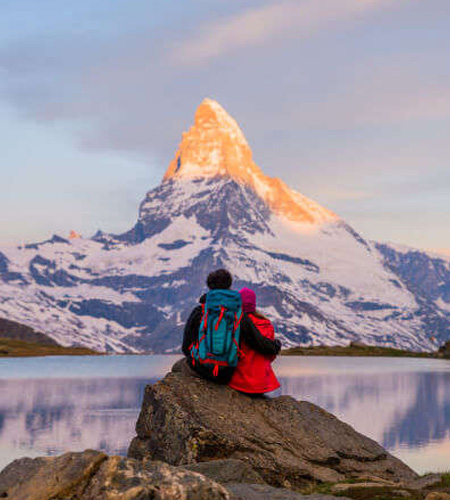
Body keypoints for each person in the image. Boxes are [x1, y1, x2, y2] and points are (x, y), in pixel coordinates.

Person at [182, 269, 281, 384]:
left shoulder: (200, 311)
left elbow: (186, 348)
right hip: (226, 373)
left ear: (209, 287)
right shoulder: (238, 314)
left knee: (178, 366)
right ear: (229, 285)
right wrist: (276, 345)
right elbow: (259, 342)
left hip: (200, 368)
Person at [228, 287, 281, 395]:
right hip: (262, 383)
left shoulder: (236, 323)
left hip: (239, 381)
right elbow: (271, 355)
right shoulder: (266, 324)